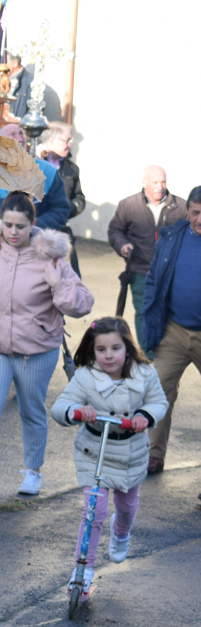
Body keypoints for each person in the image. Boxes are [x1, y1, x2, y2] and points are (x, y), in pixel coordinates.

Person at [0, 191, 94, 496]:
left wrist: (57, 283)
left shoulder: (52, 256)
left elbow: (82, 303)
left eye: (19, 226)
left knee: (31, 409)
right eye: (7, 224)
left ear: (33, 223)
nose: (12, 232)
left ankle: (33, 471)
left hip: (36, 350)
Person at [52, 317, 168, 593]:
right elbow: (61, 406)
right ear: (92, 351)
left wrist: (144, 416)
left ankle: (121, 533)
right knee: (94, 510)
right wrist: (77, 411)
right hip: (96, 451)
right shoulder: (85, 376)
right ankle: (84, 569)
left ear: (127, 347)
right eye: (101, 350)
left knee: (127, 507)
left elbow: (158, 401)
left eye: (115, 348)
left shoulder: (144, 372)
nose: (109, 355)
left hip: (131, 451)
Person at [141, 186, 201, 475]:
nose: (200, 219)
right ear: (188, 210)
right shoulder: (173, 235)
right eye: (196, 213)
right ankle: (154, 455)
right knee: (158, 390)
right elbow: (153, 278)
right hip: (174, 330)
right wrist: (149, 318)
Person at [108, 165, 187, 354]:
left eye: (163, 182)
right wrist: (122, 245)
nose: (160, 186)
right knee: (144, 311)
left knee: (168, 312)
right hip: (140, 269)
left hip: (172, 272)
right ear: (144, 183)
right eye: (155, 182)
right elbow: (115, 230)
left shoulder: (181, 206)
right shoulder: (128, 205)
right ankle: (148, 354)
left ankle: (167, 351)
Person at [0, 124, 71, 237]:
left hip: (38, 239)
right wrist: (16, 200)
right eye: (13, 134)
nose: (20, 138)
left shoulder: (47, 171)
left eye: (21, 133)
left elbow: (60, 210)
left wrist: (31, 226)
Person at [36, 123, 86, 275]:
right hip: (35, 232)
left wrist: (68, 208)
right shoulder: (31, 162)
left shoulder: (71, 168)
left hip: (61, 230)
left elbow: (79, 197)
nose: (70, 145)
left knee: (67, 282)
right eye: (67, 140)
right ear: (51, 140)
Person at [4, 53, 34, 118]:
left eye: (5, 62)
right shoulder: (2, 77)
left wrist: (21, 123)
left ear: (15, 63)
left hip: (18, 125)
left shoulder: (30, 81)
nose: (3, 65)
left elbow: (34, 109)